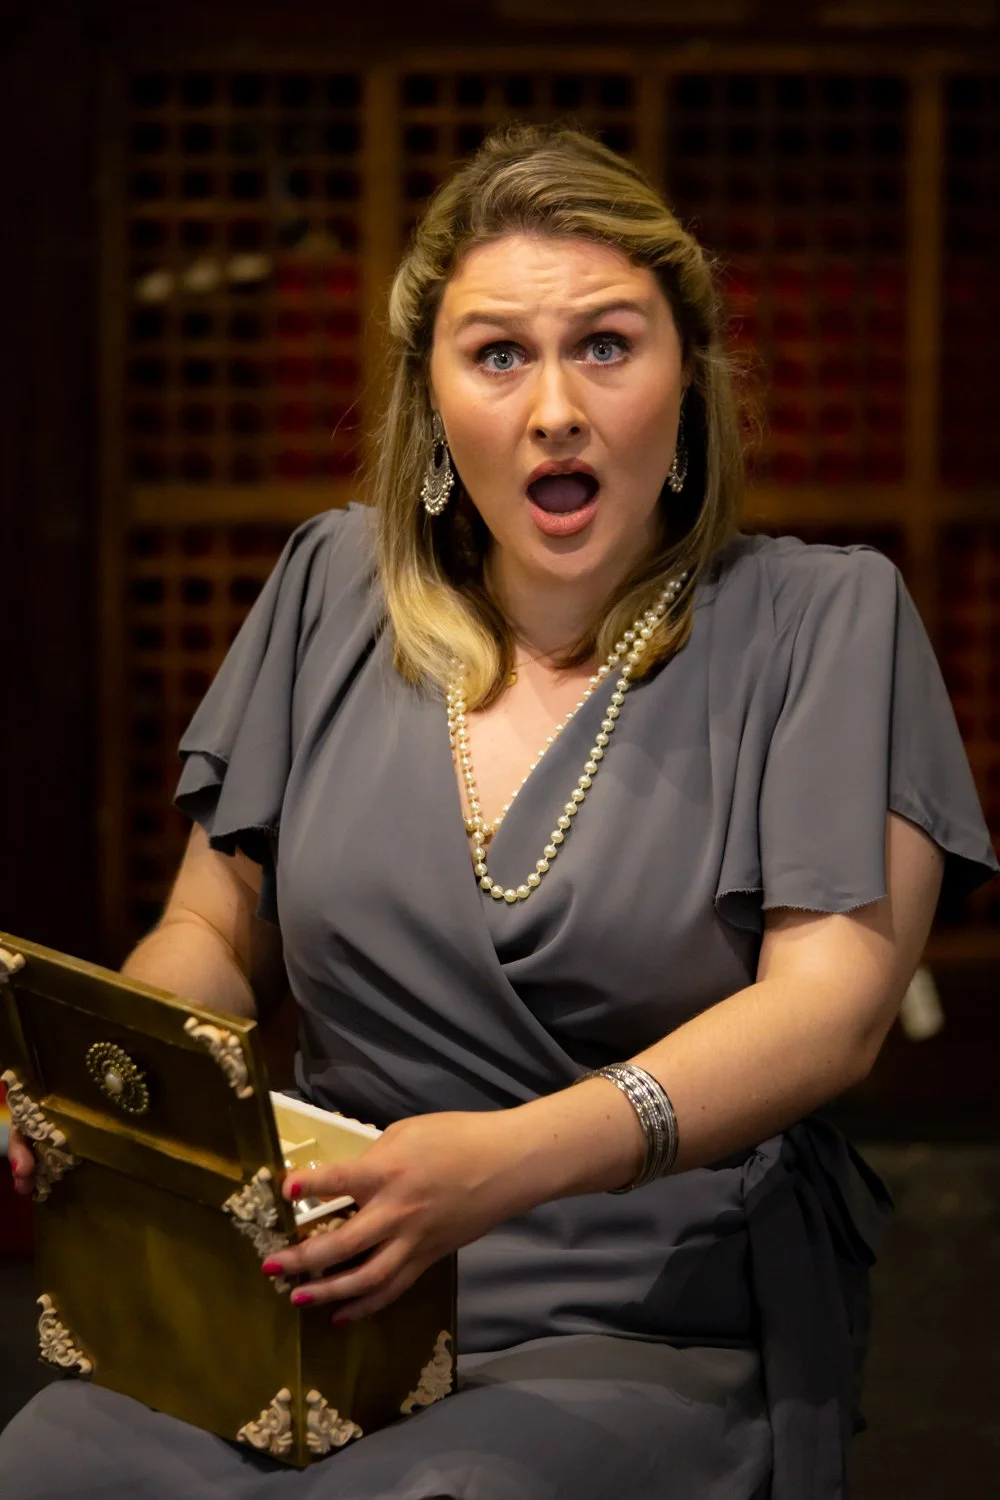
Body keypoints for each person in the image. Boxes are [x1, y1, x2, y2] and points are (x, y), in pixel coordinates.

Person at [2, 123, 996, 1500]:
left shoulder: (821, 621)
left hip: (636, 1309)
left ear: (688, 381)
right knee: (46, 1466)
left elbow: (832, 1010)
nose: (553, 410)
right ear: (433, 396)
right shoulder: (328, 588)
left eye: (605, 344)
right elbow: (213, 932)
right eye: (498, 354)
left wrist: (506, 1166)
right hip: (320, 1292)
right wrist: (110, 1088)